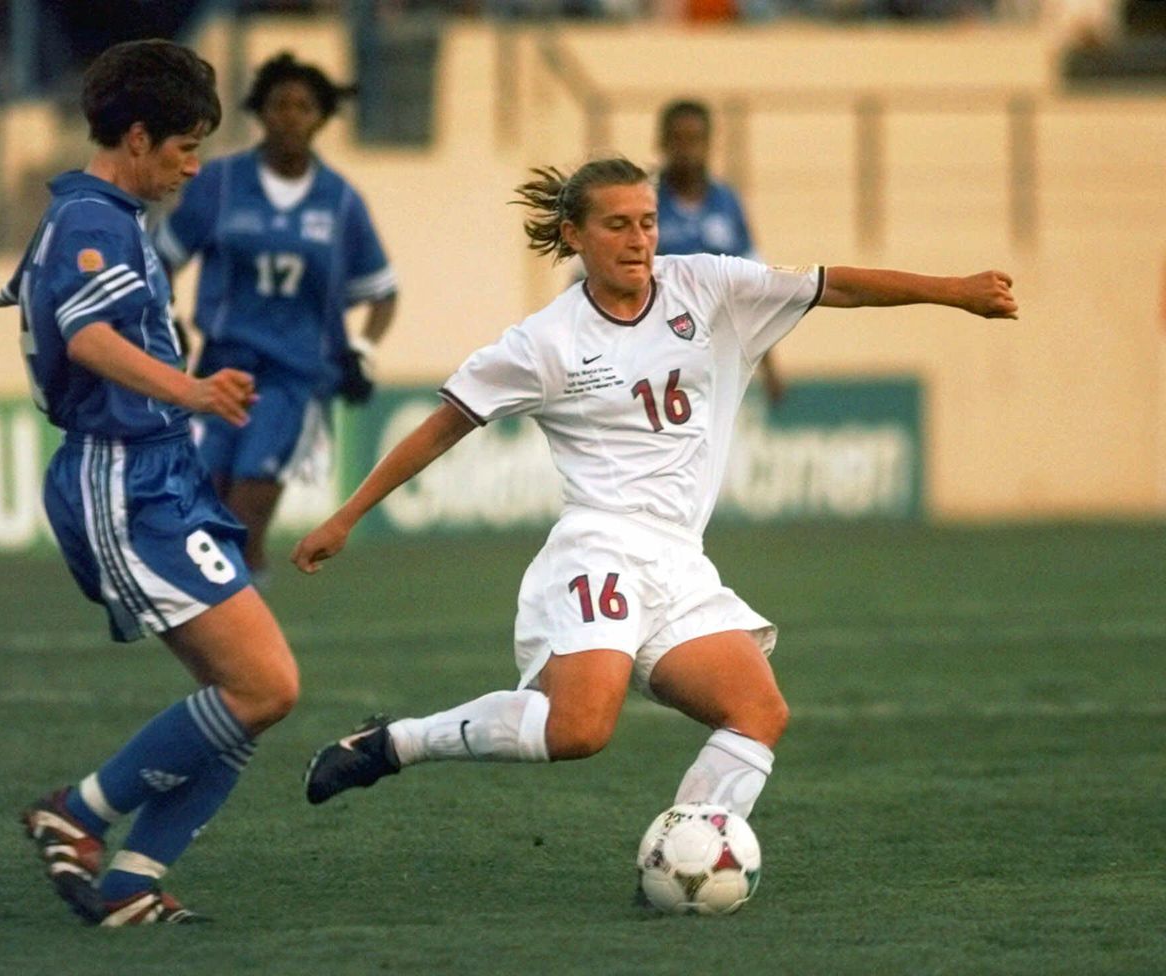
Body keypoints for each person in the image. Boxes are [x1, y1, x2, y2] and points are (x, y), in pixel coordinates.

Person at [292, 160, 1017, 873]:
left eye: (647, 222)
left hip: (678, 561)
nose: (639, 239)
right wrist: (347, 515)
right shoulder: (547, 341)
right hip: (598, 546)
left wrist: (954, 292)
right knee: (578, 730)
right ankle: (396, 745)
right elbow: (444, 424)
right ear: (574, 235)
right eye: (617, 225)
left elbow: (834, 285)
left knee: (758, 712)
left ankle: (687, 861)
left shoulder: (706, 285)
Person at [0, 40, 299, 926]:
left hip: (159, 473)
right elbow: (85, 337)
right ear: (135, 137)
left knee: (253, 696)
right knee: (265, 687)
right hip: (123, 479)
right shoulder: (92, 219)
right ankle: (79, 813)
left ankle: (130, 884)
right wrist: (192, 388)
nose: (193, 166)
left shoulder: (97, 217)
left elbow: (50, 304)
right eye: (184, 147)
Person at [153, 52, 399, 578]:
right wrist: (166, 316)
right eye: (278, 104)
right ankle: (222, 635)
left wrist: (362, 350)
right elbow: (163, 259)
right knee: (207, 514)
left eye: (303, 106)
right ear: (259, 113)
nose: (290, 116)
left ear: (322, 118)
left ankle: (243, 640)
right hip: (221, 367)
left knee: (245, 516)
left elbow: (382, 292)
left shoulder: (340, 201)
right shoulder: (218, 184)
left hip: (295, 379)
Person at [655, 98, 785, 405]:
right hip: (658, 350)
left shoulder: (727, 203)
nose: (686, 149)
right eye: (678, 139)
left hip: (718, 352)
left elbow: (754, 286)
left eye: (695, 139)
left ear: (709, 142)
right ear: (661, 142)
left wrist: (770, 365)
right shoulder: (646, 200)